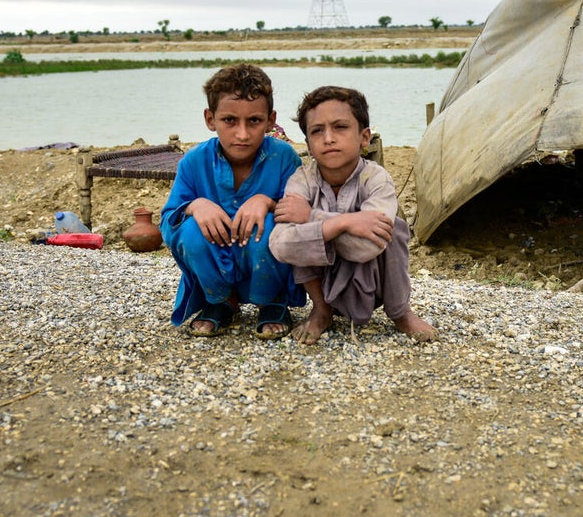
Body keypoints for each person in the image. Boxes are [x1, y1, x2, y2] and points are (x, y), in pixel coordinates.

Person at [269, 86, 436, 344]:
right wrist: (346, 222)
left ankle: (401, 311)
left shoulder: (376, 178)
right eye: (317, 131)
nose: (328, 138)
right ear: (309, 146)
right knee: (295, 240)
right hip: (323, 281)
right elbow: (281, 246)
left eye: (340, 127)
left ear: (364, 137)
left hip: (369, 279)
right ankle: (322, 310)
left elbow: (366, 247)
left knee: (395, 228)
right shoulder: (301, 180)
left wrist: (312, 220)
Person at [160, 64, 304, 340]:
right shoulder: (193, 162)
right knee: (189, 230)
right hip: (215, 254)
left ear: (271, 120)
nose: (242, 134)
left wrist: (267, 202)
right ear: (210, 119)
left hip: (264, 257)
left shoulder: (285, 158)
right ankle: (218, 301)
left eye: (254, 121)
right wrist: (195, 206)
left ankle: (272, 301)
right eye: (229, 121)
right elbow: (168, 220)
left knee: (276, 225)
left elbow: (302, 212)